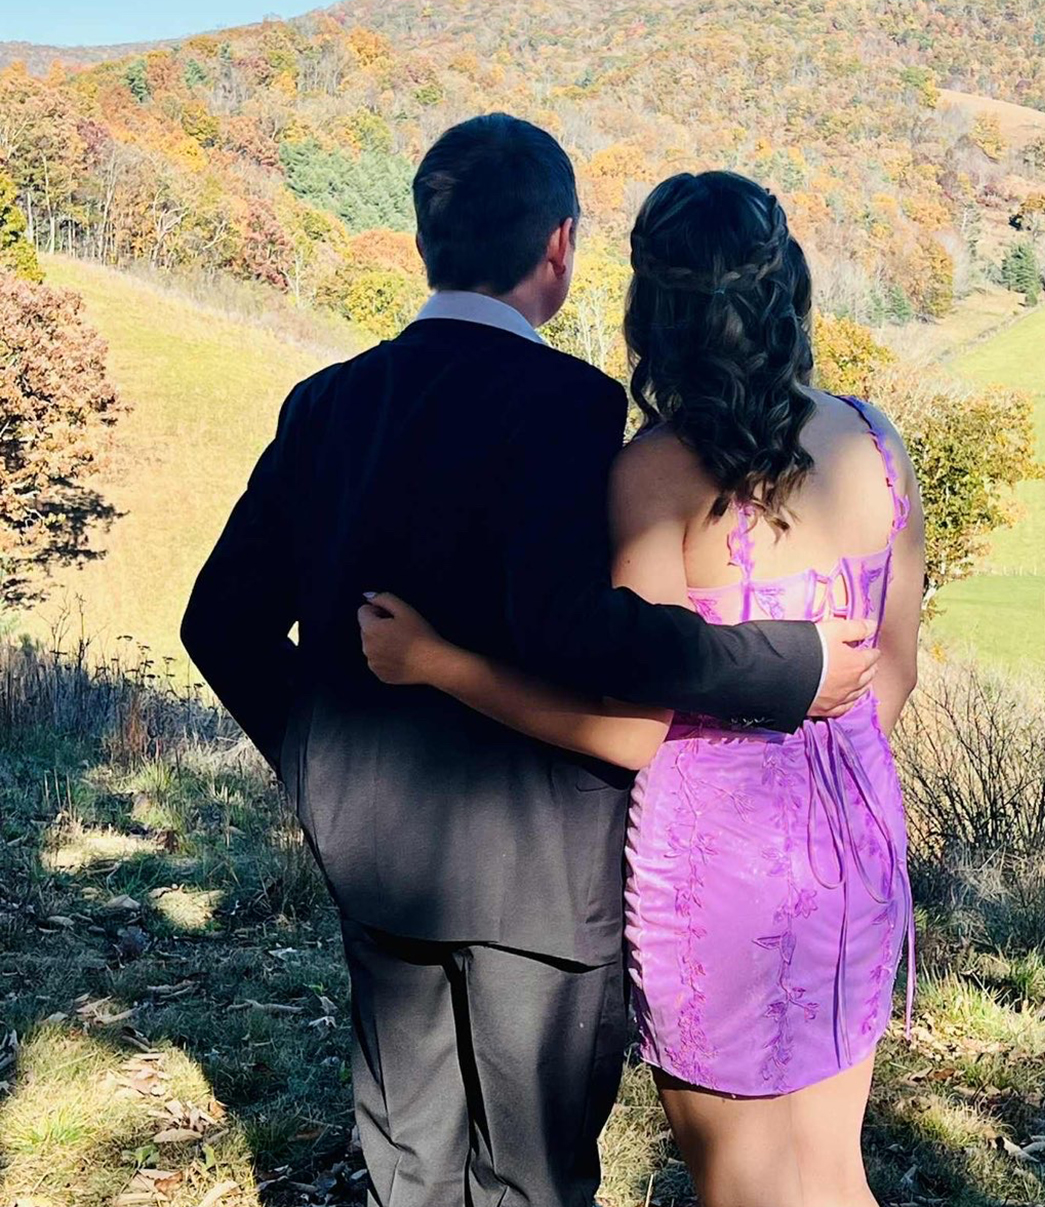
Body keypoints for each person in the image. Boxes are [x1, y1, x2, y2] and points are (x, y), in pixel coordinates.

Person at [180, 118, 879, 1207]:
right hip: (543, 880)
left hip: (377, 857)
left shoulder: (326, 405)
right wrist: (783, 666)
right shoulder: (567, 405)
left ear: (427, 241)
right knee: (533, 1177)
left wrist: (320, 763)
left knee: (409, 1165)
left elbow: (218, 624)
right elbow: (576, 631)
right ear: (560, 246)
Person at [360, 169, 924, 1207]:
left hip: (718, 866)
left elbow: (629, 732)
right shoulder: (875, 440)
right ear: (789, 288)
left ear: (652, 310)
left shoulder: (653, 473)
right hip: (855, 838)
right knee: (833, 1170)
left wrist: (442, 664)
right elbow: (893, 672)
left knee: (742, 1184)